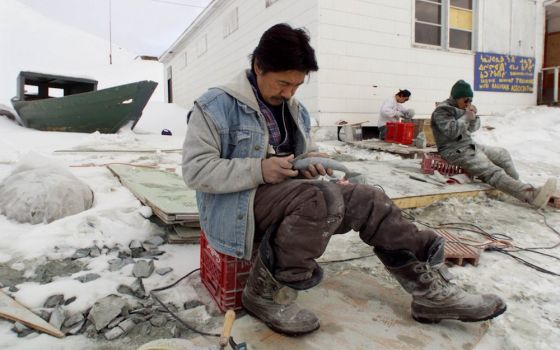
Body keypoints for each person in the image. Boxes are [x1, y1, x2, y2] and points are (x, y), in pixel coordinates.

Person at [183, 24, 506, 336]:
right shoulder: (215, 106)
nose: (289, 92)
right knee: (319, 198)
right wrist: (259, 170)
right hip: (237, 208)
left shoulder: (295, 109)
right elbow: (195, 170)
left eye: (296, 85)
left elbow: (304, 154)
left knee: (367, 198)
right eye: (283, 83)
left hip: (289, 197)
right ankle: (267, 294)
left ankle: (430, 294)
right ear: (258, 66)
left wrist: (309, 165)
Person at [431, 80, 557, 208]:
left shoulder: (462, 108)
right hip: (453, 151)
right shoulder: (442, 110)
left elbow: (472, 129)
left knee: (502, 154)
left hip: (469, 145)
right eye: (466, 100)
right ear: (456, 97)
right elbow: (451, 132)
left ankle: (518, 187)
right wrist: (466, 118)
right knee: (492, 171)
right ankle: (531, 196)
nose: (468, 103)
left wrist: (474, 117)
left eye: (470, 100)